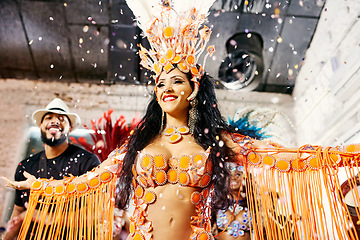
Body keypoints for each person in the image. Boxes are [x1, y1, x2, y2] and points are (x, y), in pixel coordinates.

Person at [2, 1, 360, 240]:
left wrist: (344, 155)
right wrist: (37, 188)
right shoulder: (139, 143)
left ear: (193, 89)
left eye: (177, 80)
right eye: (160, 82)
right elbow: (90, 182)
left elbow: (278, 156)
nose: (166, 88)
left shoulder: (216, 138)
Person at [3, 98, 101, 240]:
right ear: (41, 125)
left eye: (62, 119)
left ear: (71, 127)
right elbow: (18, 209)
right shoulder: (25, 166)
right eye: (48, 117)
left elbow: (96, 213)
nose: (54, 121)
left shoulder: (87, 161)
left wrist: (47, 217)